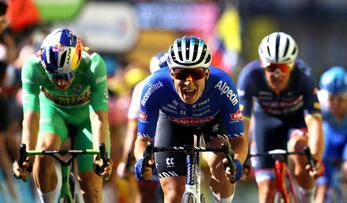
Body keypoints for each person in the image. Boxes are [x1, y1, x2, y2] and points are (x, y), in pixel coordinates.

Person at [133, 35, 248, 203]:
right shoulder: (154, 86)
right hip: (172, 123)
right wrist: (141, 160)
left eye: (196, 73)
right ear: (171, 73)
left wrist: (236, 162)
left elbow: (239, 140)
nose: (188, 82)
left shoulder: (223, 85)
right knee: (173, 195)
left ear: (206, 73)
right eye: (181, 74)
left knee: (221, 169)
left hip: (212, 121)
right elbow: (142, 140)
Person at [12, 28, 113, 203]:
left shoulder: (94, 65)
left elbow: (99, 117)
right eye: (55, 76)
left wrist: (101, 155)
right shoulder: (32, 67)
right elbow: (30, 118)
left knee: (90, 183)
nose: (61, 82)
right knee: (43, 151)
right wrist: (25, 156)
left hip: (86, 118)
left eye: (67, 75)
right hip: (53, 113)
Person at [236, 31, 325, 203]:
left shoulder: (303, 76)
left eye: (283, 68)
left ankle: (307, 199)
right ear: (262, 65)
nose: (277, 74)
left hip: (295, 121)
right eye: (270, 67)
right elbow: (242, 123)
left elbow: (314, 122)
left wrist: (315, 159)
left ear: (291, 66)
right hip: (265, 124)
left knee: (300, 149)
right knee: (267, 191)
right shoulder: (250, 76)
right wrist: (242, 158)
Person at [117, 51, 167, 203]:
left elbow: (133, 130)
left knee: (145, 196)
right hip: (167, 148)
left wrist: (126, 162)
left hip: (151, 148)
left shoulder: (142, 87)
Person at [315, 66, 347, 202]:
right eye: (331, 99)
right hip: (329, 136)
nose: (335, 104)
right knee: (323, 186)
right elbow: (312, 128)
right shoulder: (319, 101)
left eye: (340, 99)